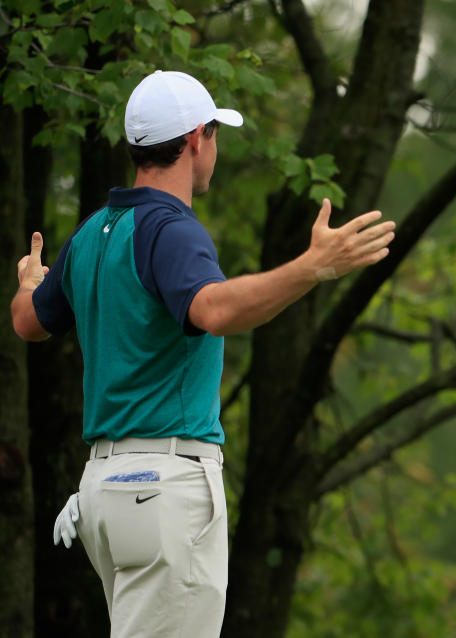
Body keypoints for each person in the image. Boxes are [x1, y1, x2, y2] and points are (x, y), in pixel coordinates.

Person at [10, 69, 395, 637]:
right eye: (215, 132)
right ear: (196, 138)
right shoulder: (173, 229)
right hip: (162, 491)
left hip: (104, 492)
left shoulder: (93, 231)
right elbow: (213, 309)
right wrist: (312, 268)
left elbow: (28, 321)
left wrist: (26, 281)